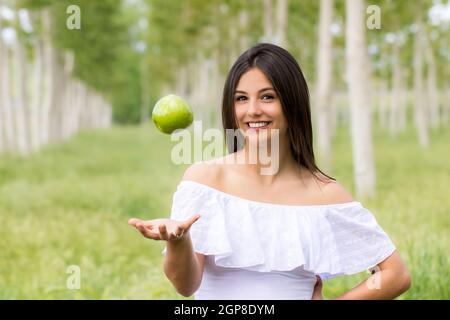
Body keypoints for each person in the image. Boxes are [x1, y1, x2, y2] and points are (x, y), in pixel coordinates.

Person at [128, 43, 411, 300]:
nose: (252, 110)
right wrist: (179, 241)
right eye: (241, 99)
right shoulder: (205, 179)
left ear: (292, 103)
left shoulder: (324, 194)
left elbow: (394, 275)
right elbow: (185, 285)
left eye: (267, 97)